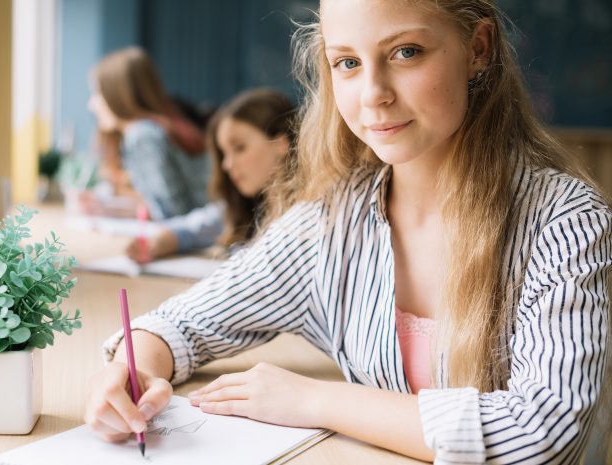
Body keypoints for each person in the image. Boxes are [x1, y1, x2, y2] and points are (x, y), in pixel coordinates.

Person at [85, 1, 612, 463]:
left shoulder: (565, 221)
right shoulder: (334, 221)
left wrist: (315, 400)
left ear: (477, 47)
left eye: (407, 52)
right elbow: (182, 323)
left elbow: (541, 434)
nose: (373, 93)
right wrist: (135, 371)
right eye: (348, 63)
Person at [125, 88, 297, 262]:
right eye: (224, 154)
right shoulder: (247, 205)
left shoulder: (307, 217)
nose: (227, 165)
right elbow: (196, 227)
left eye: (239, 148)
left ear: (280, 144)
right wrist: (158, 242)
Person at [84, 46, 211, 220]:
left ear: (119, 95)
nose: (91, 105)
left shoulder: (142, 135)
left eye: (97, 94)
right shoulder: (154, 128)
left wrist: (111, 209)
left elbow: (173, 212)